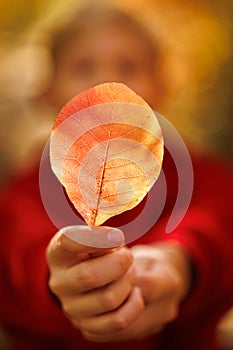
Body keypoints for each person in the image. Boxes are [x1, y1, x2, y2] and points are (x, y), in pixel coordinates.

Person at [0, 3, 233, 350]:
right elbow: (22, 251)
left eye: (129, 66)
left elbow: (216, 223)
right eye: (83, 66)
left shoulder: (204, 182)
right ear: (49, 90)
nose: (106, 82)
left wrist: (179, 262)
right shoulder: (20, 197)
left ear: (161, 86)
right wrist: (60, 280)